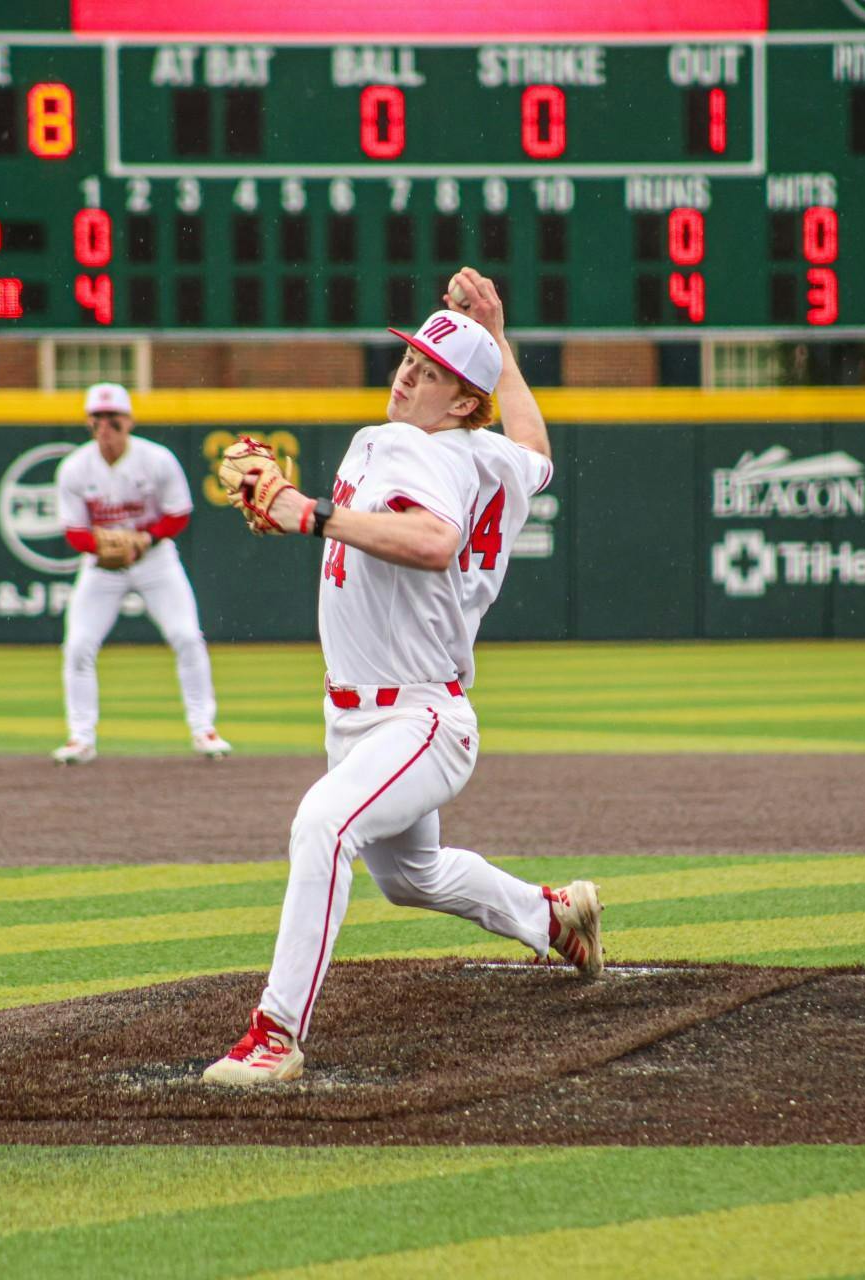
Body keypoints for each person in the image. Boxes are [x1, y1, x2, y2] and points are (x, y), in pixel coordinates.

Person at [202, 268, 600, 1086]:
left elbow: (433, 542)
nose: (408, 371)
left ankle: (275, 1034)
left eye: (430, 370)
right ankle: (553, 916)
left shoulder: (407, 447)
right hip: (367, 712)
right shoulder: (487, 456)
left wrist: (308, 511)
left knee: (322, 827)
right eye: (409, 357)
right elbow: (536, 450)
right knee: (410, 877)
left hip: (416, 716)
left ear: (460, 402)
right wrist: (500, 339)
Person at [51, 381, 231, 764]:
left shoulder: (157, 459)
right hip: (103, 569)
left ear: (129, 420)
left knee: (186, 636)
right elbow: (73, 531)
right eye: (97, 418)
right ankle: (80, 738)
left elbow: (179, 513)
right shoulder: (75, 468)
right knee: (79, 644)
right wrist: (102, 546)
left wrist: (145, 539)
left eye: (112, 418)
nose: (105, 426)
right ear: (88, 423)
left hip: (155, 562)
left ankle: (204, 729)